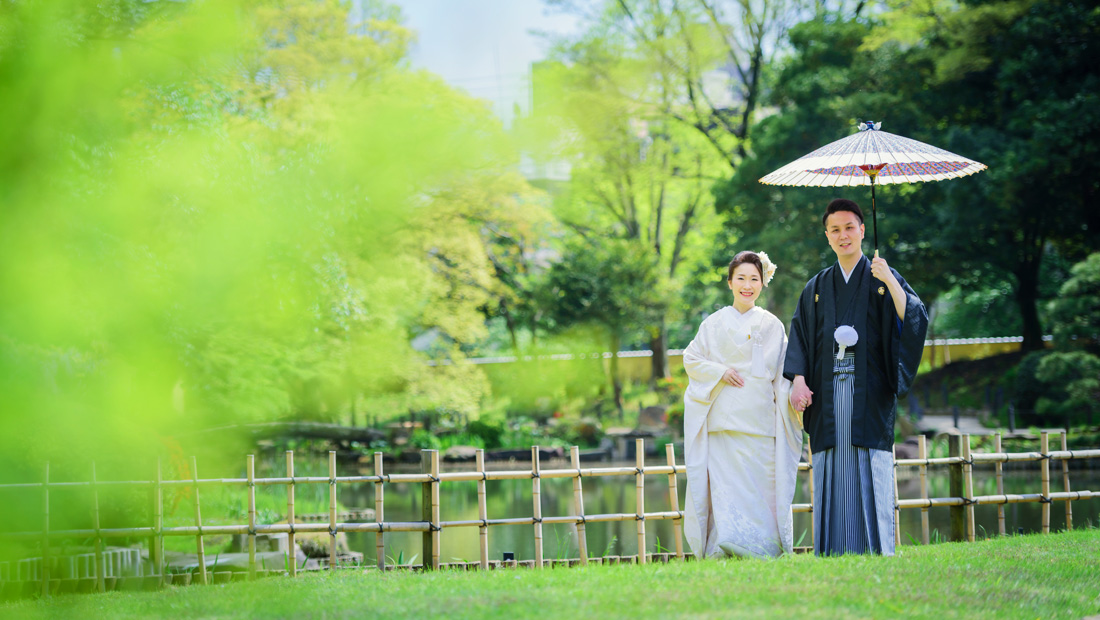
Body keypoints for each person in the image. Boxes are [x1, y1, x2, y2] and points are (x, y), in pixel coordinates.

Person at [784, 199, 928, 556]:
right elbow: (800, 334)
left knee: (868, 464)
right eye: (835, 230)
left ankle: (874, 548)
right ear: (827, 236)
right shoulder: (816, 287)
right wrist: (798, 379)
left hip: (869, 392)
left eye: (850, 227)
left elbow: (913, 316)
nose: (843, 235)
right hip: (828, 395)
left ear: (863, 230)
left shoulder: (882, 277)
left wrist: (890, 279)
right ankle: (832, 550)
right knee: (832, 468)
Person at [682, 251, 804, 559]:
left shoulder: (773, 325)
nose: (747, 285)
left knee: (761, 487)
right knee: (727, 490)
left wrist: (794, 396)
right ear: (729, 282)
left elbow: (782, 374)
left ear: (763, 283)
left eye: (754, 279)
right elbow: (691, 359)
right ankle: (725, 543)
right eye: (741, 279)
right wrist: (720, 371)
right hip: (724, 422)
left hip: (760, 420)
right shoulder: (713, 324)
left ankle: (763, 546)